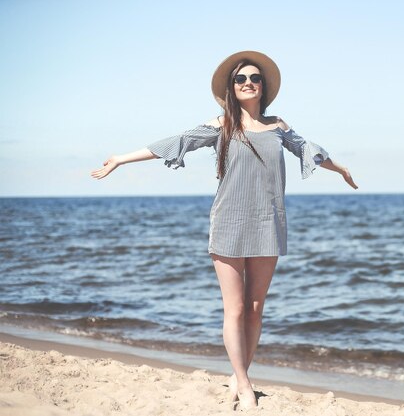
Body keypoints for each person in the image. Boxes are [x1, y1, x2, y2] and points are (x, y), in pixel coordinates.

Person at [90, 50, 357, 409]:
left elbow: (310, 151)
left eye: (254, 78)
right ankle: (245, 384)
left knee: (256, 307)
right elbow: (177, 141)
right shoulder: (221, 125)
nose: (248, 83)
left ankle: (239, 374)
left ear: (263, 87)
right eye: (241, 79)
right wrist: (121, 159)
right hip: (229, 222)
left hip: (269, 222)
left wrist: (340, 170)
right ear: (232, 88)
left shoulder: (279, 126)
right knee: (233, 308)